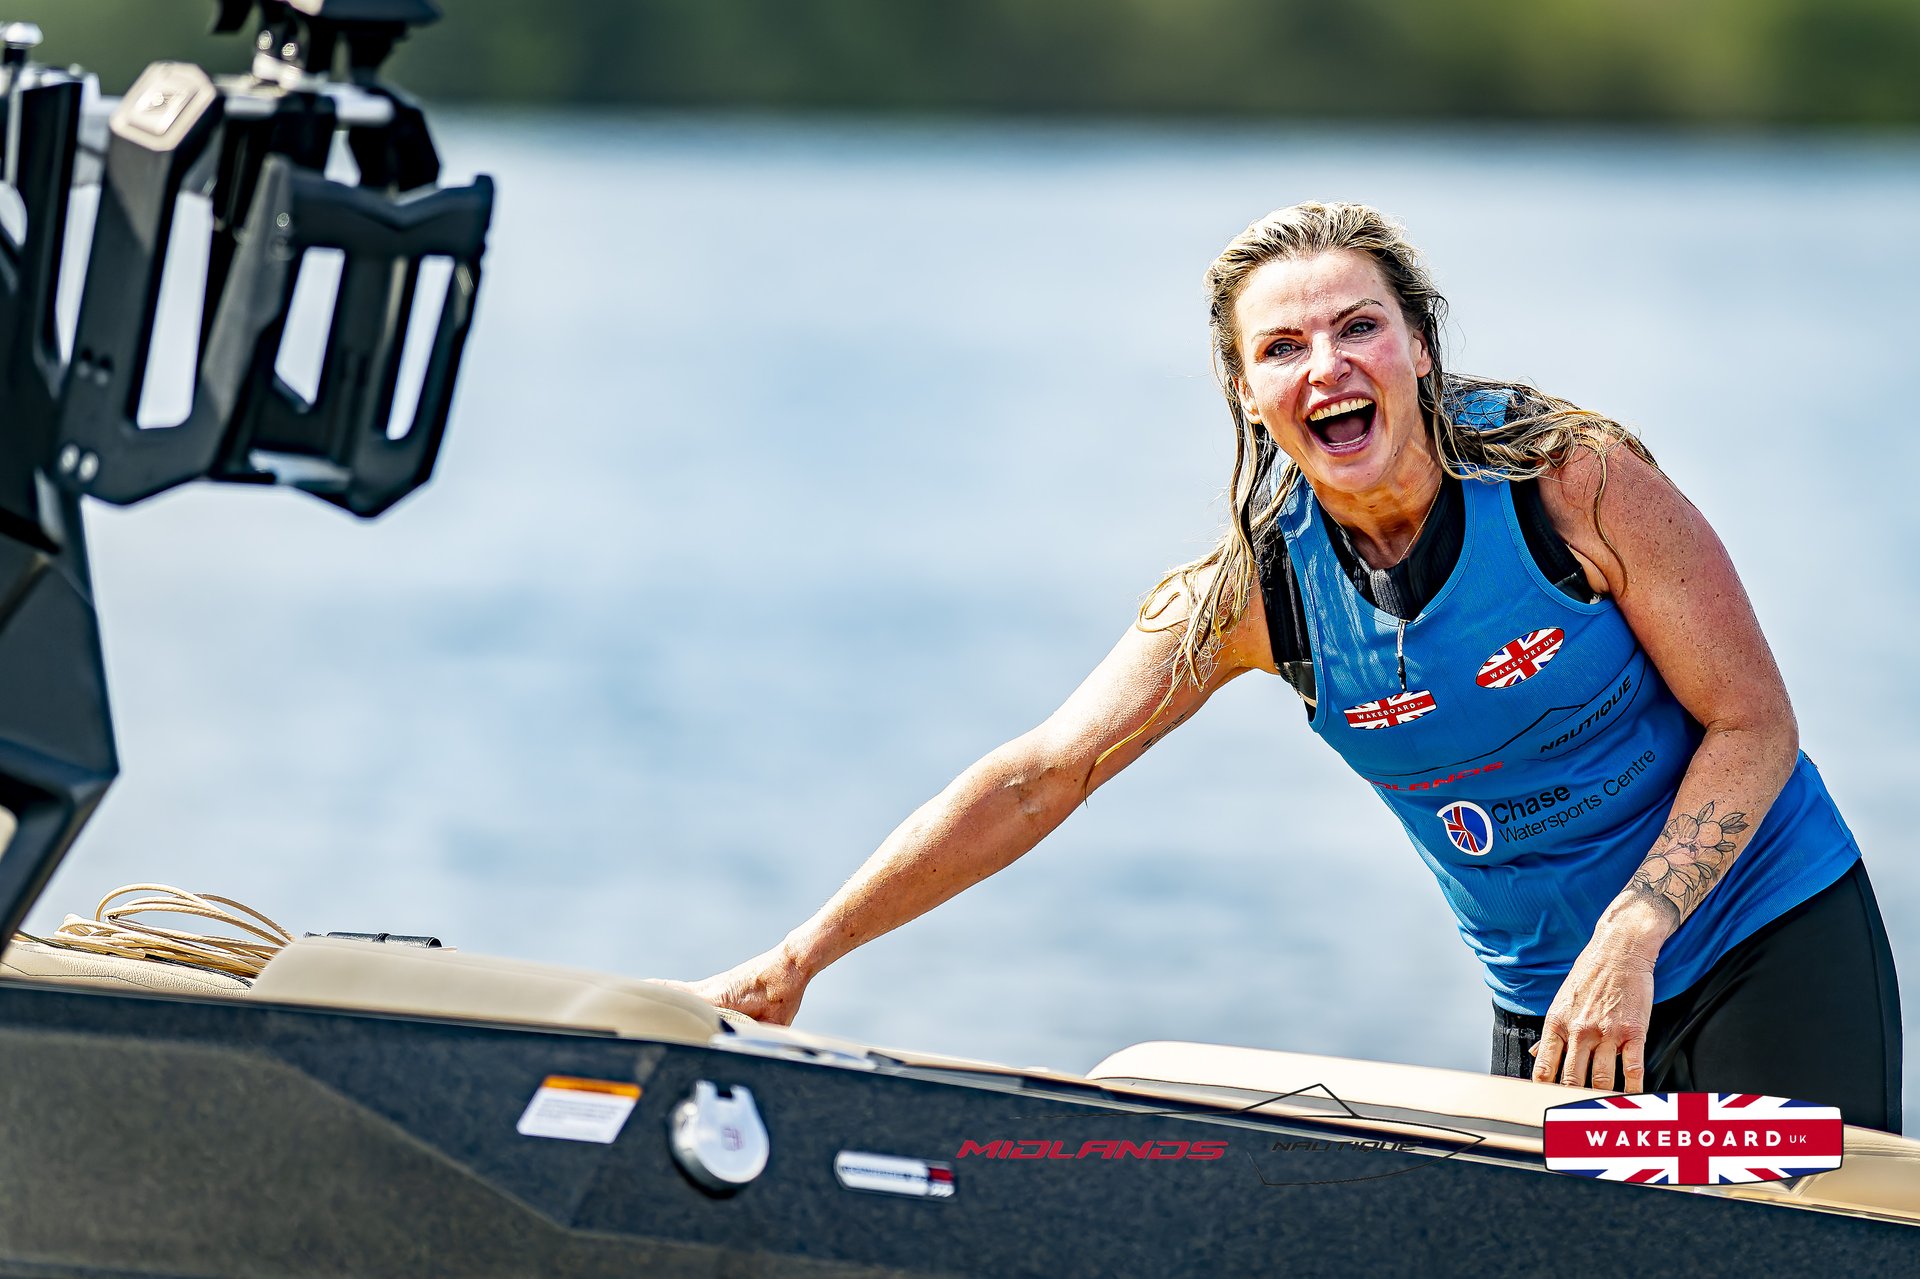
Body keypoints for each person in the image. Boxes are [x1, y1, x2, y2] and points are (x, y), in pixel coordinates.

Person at [671, 202, 1903, 1132]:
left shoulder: (1571, 485)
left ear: (1420, 347)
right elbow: (1039, 775)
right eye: (1285, 346)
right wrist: (796, 962)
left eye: (1361, 325)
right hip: (1553, 1007)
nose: (1329, 364)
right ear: (1250, 392)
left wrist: (1635, 934)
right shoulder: (1254, 594)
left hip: (1763, 936)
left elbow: (1754, 725)